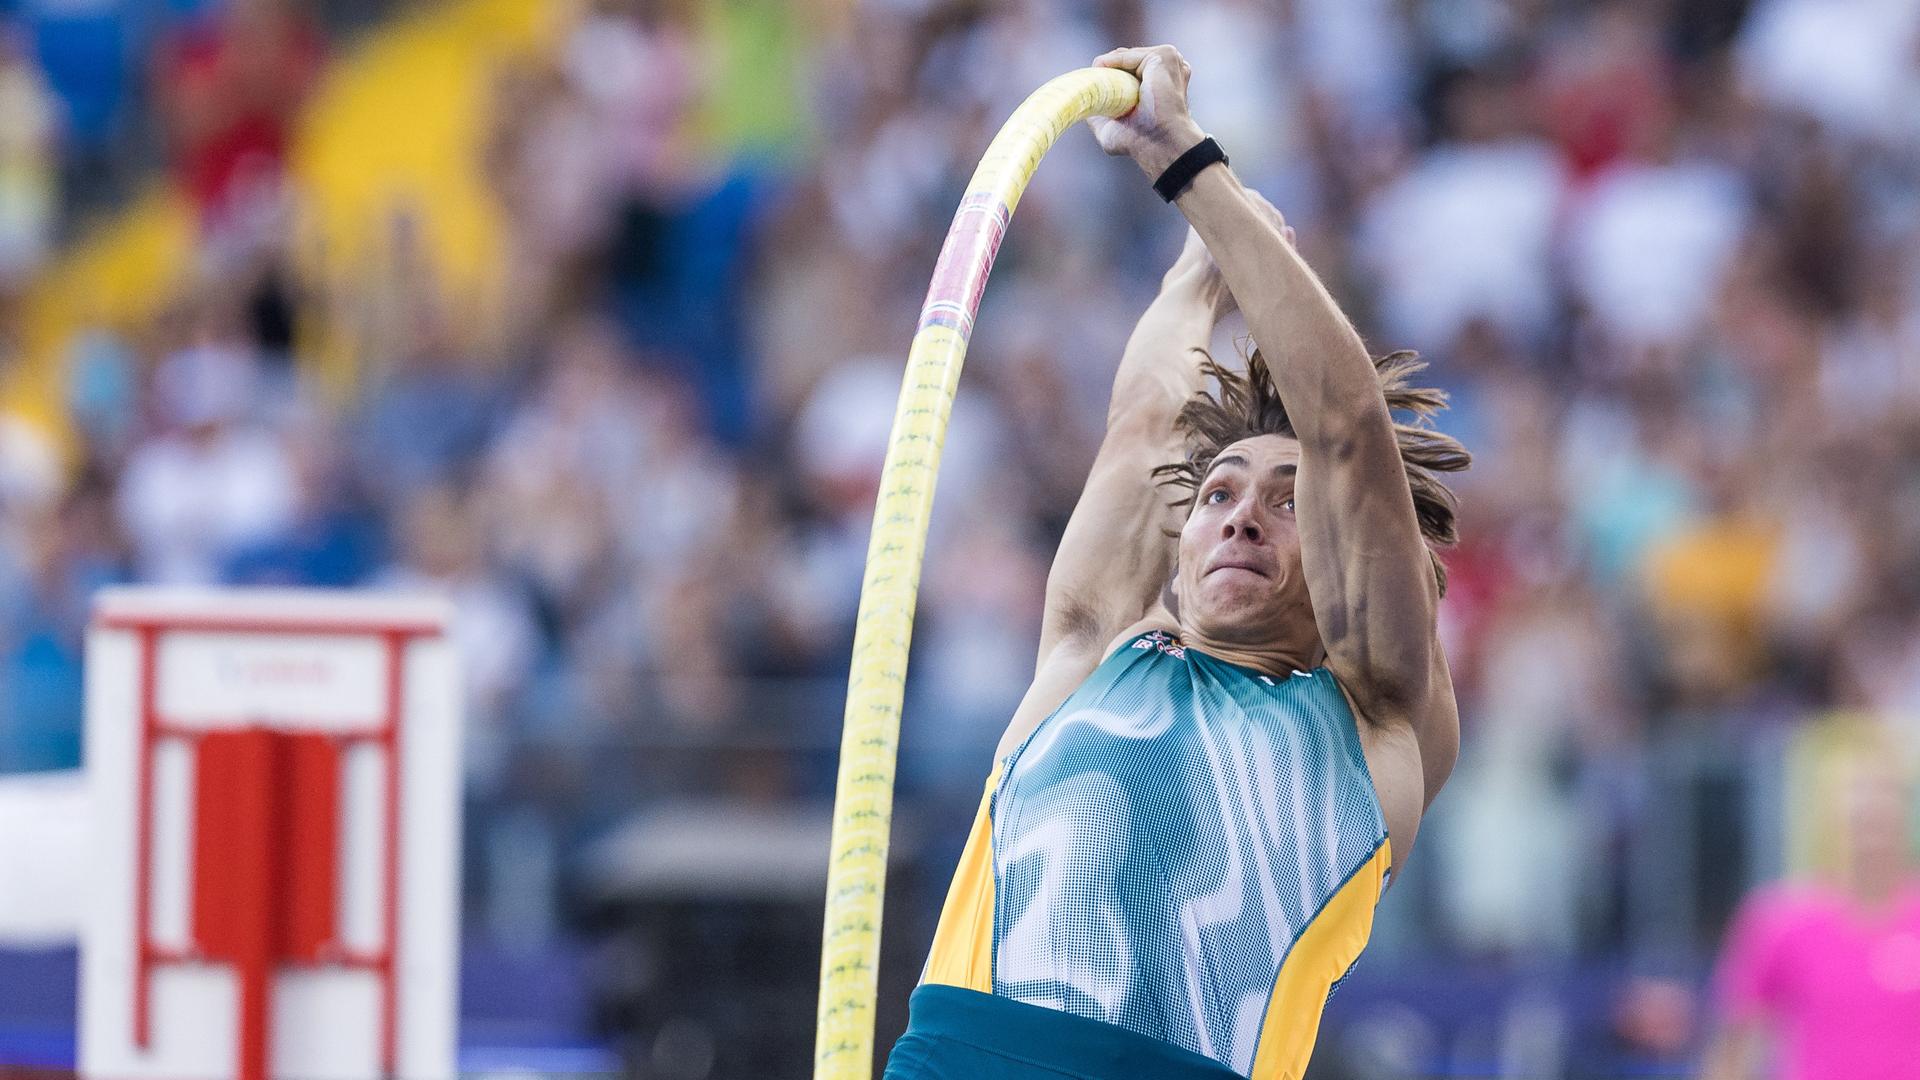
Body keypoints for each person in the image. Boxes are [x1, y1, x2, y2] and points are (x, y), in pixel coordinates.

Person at [884, 45, 1469, 1080]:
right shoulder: (1087, 657)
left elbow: (1345, 425)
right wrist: (1199, 272)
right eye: (1218, 495)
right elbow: (1143, 423)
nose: (1243, 518)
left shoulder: (1376, 719)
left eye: (1289, 506)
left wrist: (1186, 164)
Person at [1700, 735, 1920, 1080]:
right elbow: (1732, 1051)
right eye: (1856, 792)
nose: (1871, 807)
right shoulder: (1780, 919)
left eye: (1885, 792)